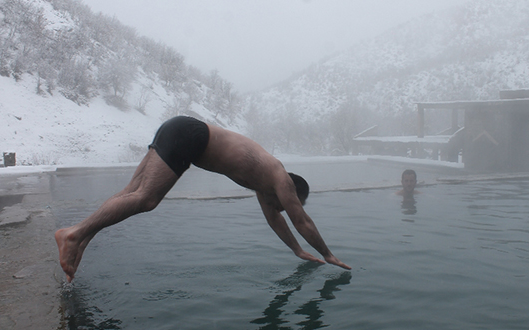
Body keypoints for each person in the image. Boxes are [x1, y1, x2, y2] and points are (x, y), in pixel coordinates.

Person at [55, 116, 350, 282]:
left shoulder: (264, 185)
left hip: (183, 132)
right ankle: (74, 234)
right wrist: (328, 254)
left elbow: (277, 222)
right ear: (290, 194)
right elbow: (301, 220)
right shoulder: (280, 177)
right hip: (191, 135)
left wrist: (297, 250)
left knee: (130, 194)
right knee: (146, 199)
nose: (280, 209)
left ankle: (80, 240)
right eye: (287, 204)